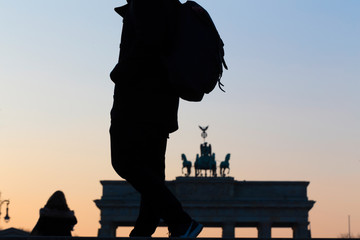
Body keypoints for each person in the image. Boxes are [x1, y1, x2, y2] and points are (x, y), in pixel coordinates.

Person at [109, 0, 203, 237]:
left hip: (138, 102)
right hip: (161, 105)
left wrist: (119, 73)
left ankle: (180, 220)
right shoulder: (167, 4)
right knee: (151, 169)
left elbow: (148, 43)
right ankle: (144, 229)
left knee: (124, 161)